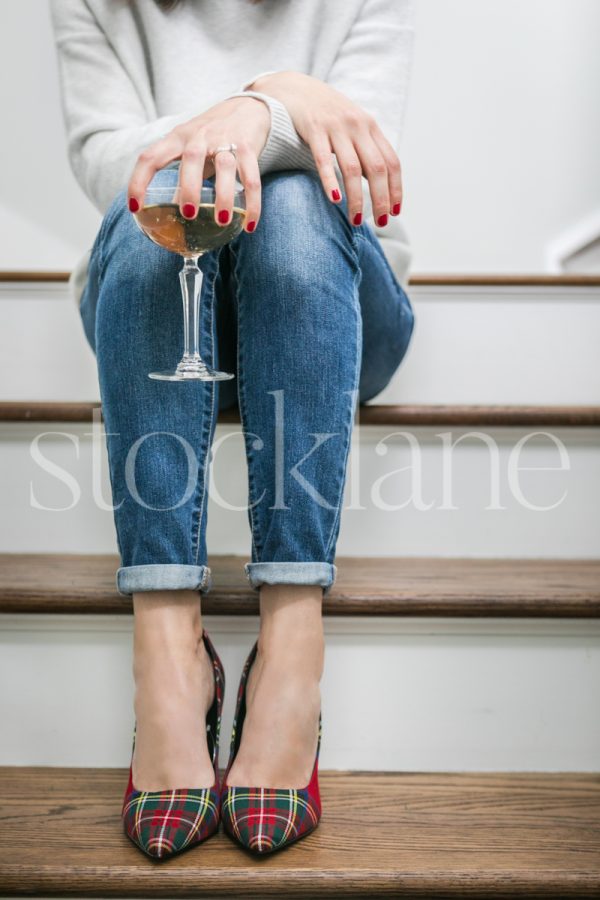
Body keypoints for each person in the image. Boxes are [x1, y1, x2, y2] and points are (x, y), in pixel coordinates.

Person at [50, 0, 416, 859]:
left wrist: (255, 108)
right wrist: (281, 98)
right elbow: (111, 158)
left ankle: (291, 649)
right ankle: (168, 657)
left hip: (336, 295)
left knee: (292, 206)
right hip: (165, 299)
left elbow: (356, 152)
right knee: (164, 198)